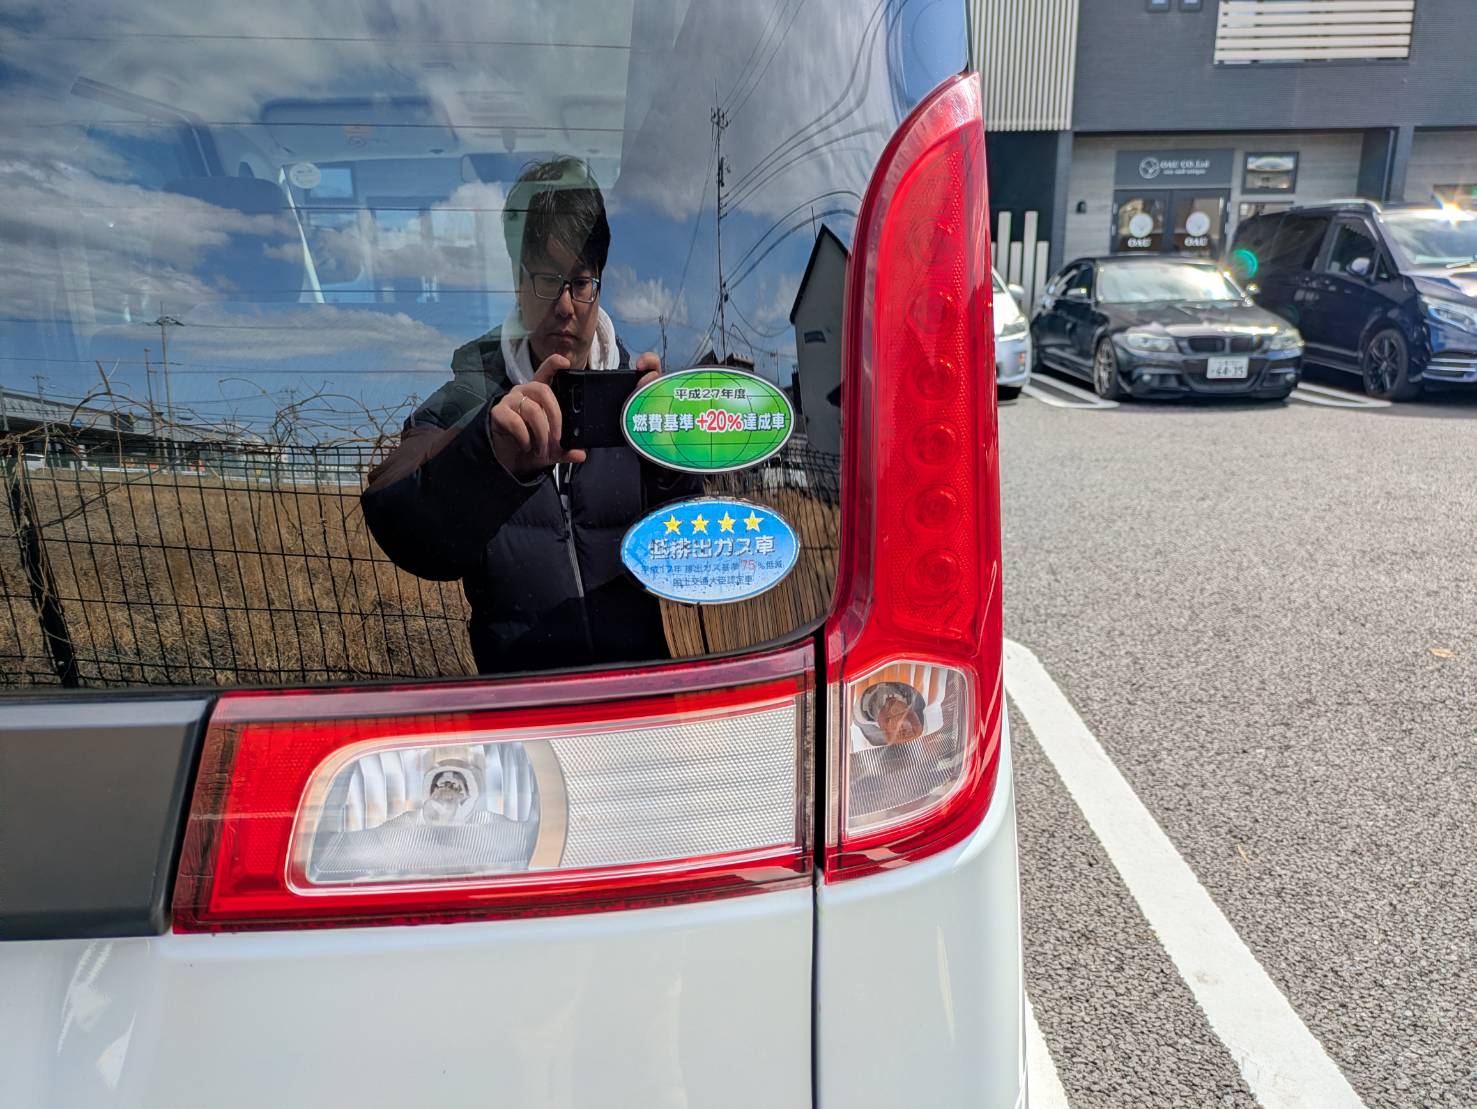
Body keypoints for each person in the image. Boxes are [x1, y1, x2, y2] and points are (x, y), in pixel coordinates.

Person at [362, 158, 699, 675]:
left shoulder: (642, 402)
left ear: (599, 285)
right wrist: (489, 455)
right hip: (521, 701)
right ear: (518, 282)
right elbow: (402, 526)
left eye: (580, 282)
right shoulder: (468, 399)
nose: (564, 305)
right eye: (546, 280)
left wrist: (670, 463)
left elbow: (691, 557)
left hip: (638, 697)